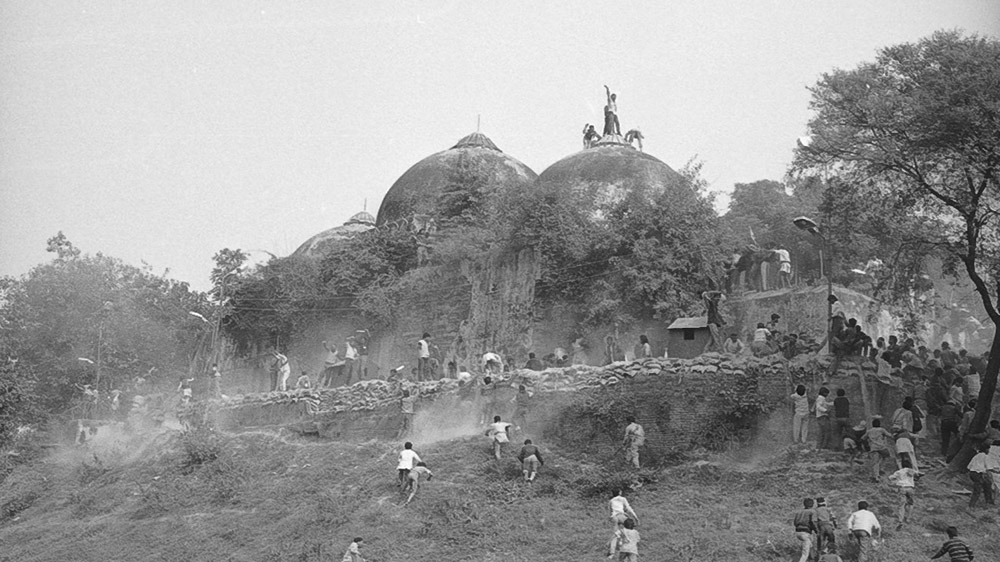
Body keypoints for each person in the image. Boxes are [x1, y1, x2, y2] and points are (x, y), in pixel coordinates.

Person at [888, 458, 919, 528]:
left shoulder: (899, 472)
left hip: (902, 488)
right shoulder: (911, 471)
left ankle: (900, 520)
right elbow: (917, 474)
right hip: (910, 488)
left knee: (901, 505)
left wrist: (896, 480)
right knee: (910, 504)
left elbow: (890, 477)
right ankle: (908, 518)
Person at [967, 442, 996, 507]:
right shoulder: (985, 456)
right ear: (986, 450)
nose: (988, 451)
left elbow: (969, 466)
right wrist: (996, 471)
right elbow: (989, 468)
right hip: (978, 474)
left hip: (972, 473)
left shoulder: (976, 456)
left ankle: (989, 501)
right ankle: (971, 505)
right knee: (977, 490)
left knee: (987, 484)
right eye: (988, 449)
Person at [792, 498, 817, 562]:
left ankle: (813, 559)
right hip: (806, 532)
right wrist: (816, 530)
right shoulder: (812, 512)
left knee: (810, 546)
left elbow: (795, 523)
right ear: (812, 504)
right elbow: (813, 522)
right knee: (805, 554)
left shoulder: (799, 512)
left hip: (798, 532)